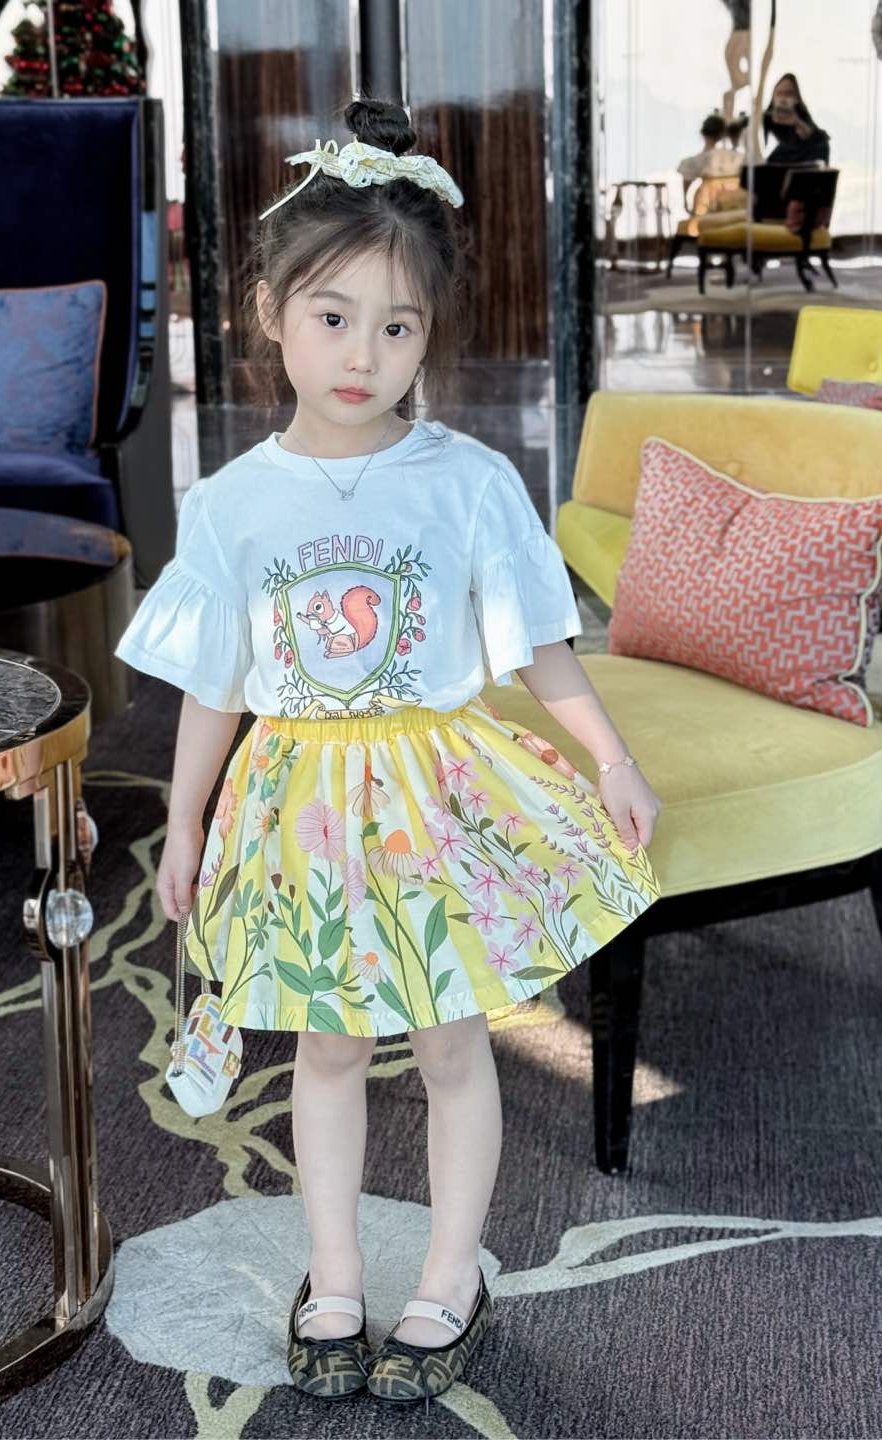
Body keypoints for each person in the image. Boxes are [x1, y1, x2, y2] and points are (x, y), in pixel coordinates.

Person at [115, 97, 662, 1410]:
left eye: (399, 325)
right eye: (333, 316)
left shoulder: (467, 481)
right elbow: (214, 685)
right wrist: (185, 824)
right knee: (327, 1050)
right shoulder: (231, 504)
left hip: (434, 803)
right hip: (297, 809)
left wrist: (608, 756)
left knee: (454, 1042)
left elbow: (536, 645)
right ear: (269, 312)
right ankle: (338, 1273)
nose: (364, 353)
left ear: (430, 335)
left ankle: (452, 1274)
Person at [677, 112, 743, 210]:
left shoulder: (697, 159)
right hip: (735, 199)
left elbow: (687, 180)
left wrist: (685, 202)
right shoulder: (736, 156)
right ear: (722, 133)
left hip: (708, 201)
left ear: (703, 133)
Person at [763, 73, 831, 165]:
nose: (783, 99)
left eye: (788, 94)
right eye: (779, 93)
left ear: (797, 98)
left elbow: (817, 138)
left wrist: (797, 123)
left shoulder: (804, 123)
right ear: (773, 97)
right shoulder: (765, 120)